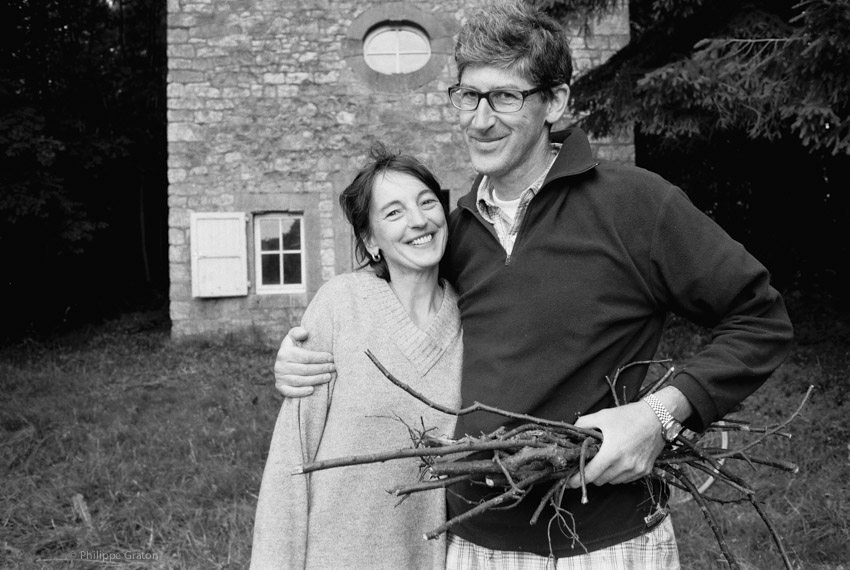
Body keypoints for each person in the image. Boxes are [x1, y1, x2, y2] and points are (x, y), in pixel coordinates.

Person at [272, 1, 794, 568]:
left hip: (607, 546)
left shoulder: (635, 204)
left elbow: (760, 318)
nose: (479, 118)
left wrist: (660, 416)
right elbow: (379, 290)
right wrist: (301, 352)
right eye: (468, 96)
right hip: (473, 547)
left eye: (506, 97)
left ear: (557, 102)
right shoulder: (456, 232)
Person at [250, 142, 463, 570]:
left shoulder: (471, 319)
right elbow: (292, 458)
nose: (419, 220)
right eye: (394, 212)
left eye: (427, 203)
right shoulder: (339, 305)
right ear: (370, 239)